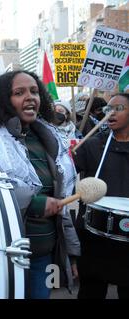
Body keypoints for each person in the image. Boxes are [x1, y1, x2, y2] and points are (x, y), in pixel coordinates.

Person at [0, 70, 80, 299]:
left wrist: (70, 252)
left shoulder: (50, 137)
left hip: (43, 254)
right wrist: (33, 203)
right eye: (19, 92)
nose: (30, 97)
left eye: (34, 91)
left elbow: (61, 196)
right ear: (3, 99)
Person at [73, 93, 129, 299]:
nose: (111, 113)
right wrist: (66, 153)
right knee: (91, 291)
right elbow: (66, 175)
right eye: (107, 109)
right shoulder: (92, 145)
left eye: (119, 109)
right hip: (95, 236)